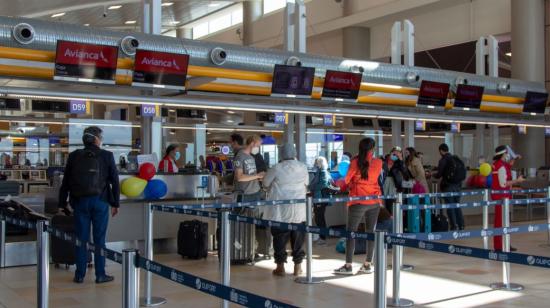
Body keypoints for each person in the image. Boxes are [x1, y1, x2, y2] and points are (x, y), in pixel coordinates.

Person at [58, 126, 119, 284]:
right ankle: (100, 274)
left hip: (80, 202)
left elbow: (65, 183)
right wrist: (115, 203)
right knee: (99, 239)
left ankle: (79, 275)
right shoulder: (107, 155)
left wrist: (61, 203)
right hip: (100, 201)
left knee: (81, 239)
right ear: (97, 139)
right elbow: (114, 181)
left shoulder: (74, 156)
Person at [334, 138, 383, 275]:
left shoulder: (355, 162)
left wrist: (342, 185)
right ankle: (368, 264)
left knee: (351, 233)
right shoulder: (378, 163)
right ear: (372, 149)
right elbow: (374, 179)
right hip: (374, 201)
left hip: (358, 201)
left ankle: (348, 266)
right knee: (370, 232)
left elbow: (347, 180)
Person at [263, 144, 309, 276]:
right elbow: (306, 183)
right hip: (298, 210)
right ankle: (298, 267)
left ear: (281, 154)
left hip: (280, 210)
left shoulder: (276, 168)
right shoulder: (303, 167)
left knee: (279, 238)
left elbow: (265, 183)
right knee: (298, 238)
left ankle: (280, 267)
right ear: (294, 153)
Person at [491, 145, 524, 251]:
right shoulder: (500, 167)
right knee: (500, 222)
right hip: (502, 197)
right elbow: (503, 184)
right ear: (503, 154)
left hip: (502, 197)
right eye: (506, 154)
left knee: (504, 222)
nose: (507, 156)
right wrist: (517, 181)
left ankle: (505, 243)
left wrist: (515, 158)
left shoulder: (498, 164)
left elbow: (508, 166)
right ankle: (499, 246)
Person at [432, 143, 465, 230]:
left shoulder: (443, 160)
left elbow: (439, 174)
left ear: (441, 151)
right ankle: (461, 225)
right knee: (456, 205)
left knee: (450, 206)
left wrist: (431, 175)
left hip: (448, 186)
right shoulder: (455, 158)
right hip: (458, 186)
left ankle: (454, 226)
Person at [233, 135, 265, 202]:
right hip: (245, 194)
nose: (258, 148)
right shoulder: (240, 156)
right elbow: (239, 177)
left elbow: (251, 174)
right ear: (252, 143)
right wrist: (257, 175)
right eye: (258, 146)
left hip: (255, 191)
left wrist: (259, 177)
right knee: (242, 212)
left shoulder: (251, 157)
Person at [310, 157, 332, 245]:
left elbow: (322, 185)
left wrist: (311, 187)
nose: (314, 164)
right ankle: (321, 237)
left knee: (319, 218)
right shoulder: (324, 172)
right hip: (320, 198)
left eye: (316, 162)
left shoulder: (322, 172)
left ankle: (323, 238)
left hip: (320, 198)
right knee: (319, 218)